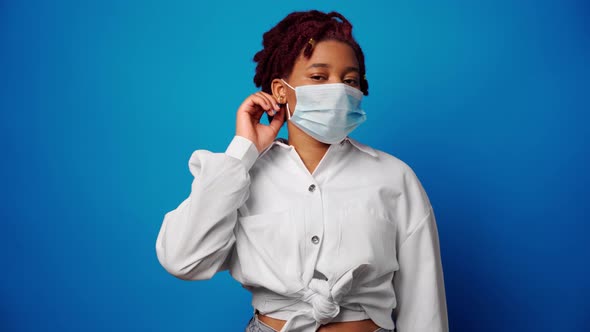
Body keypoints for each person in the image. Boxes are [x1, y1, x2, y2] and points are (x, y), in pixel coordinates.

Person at [156, 10, 448, 332]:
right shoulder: (241, 176)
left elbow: (424, 303)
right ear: (280, 91)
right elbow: (182, 259)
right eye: (319, 77)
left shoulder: (395, 177)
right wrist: (242, 152)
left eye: (350, 80)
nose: (338, 89)